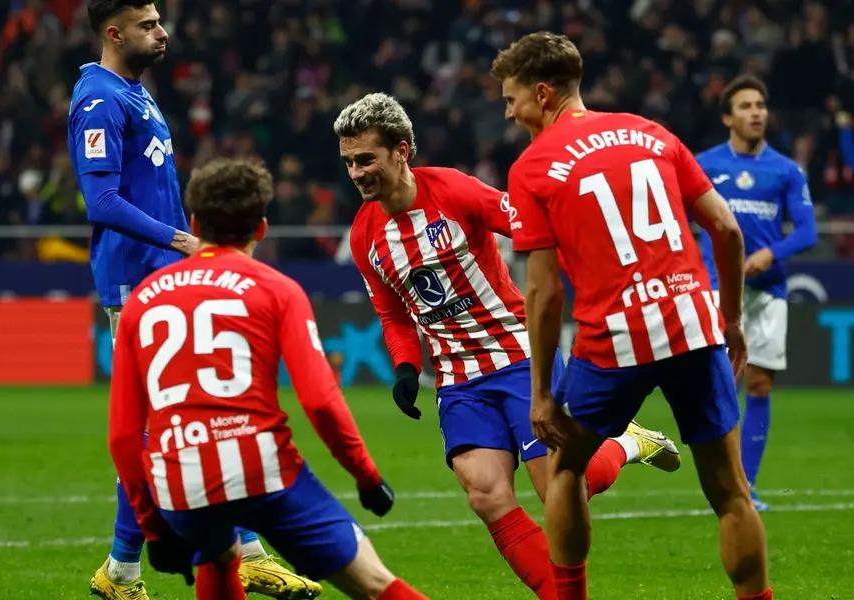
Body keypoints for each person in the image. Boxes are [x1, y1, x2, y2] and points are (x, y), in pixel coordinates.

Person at [335, 92, 681, 600]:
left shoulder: (453, 191)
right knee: (485, 493)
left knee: (562, 490)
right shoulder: (365, 235)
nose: (356, 172)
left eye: (366, 159)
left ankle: (629, 442)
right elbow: (392, 313)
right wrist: (407, 366)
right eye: (348, 162)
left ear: (401, 151)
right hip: (458, 378)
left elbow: (528, 225)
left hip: (519, 357)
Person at [496, 32, 770, 599]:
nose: (508, 111)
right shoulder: (652, 134)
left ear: (543, 94)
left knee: (565, 469)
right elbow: (727, 230)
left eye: (512, 98)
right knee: (731, 493)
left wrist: (542, 391)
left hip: (613, 340)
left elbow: (544, 294)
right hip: (694, 327)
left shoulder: (531, 168)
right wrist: (732, 319)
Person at [67, 3, 314, 598]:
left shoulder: (135, 92)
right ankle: (173, 563)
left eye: (159, 21)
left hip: (166, 279)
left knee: (192, 421)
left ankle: (137, 569)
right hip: (136, 284)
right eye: (148, 24)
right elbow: (100, 202)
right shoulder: (100, 98)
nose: (163, 32)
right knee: (175, 427)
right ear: (114, 31)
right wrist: (182, 239)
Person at [109, 158, 427, 600]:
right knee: (373, 582)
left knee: (216, 551)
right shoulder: (277, 289)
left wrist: (153, 529)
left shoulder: (142, 301)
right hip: (263, 472)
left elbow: (125, 436)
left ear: (195, 223)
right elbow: (319, 400)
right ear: (261, 228)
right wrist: (366, 476)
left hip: (182, 483)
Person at [694, 75, 816, 511]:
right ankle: (722, 479)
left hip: (767, 291)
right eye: (745, 106)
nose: (756, 112)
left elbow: (807, 230)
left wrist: (770, 253)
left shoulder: (786, 170)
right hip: (717, 289)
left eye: (760, 105)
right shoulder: (703, 164)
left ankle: (747, 485)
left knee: (760, 383)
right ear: (728, 117)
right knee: (721, 385)